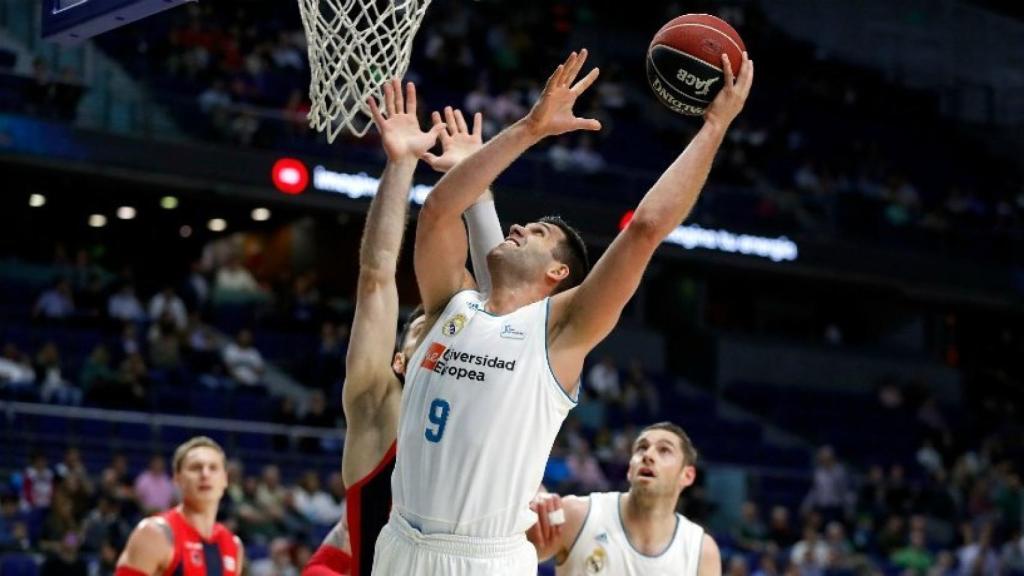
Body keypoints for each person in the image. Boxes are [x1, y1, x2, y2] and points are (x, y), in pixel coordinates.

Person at [375, 48, 752, 575]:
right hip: (397, 544)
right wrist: (529, 128)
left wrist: (714, 125)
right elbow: (439, 210)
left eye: (539, 233)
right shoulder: (450, 305)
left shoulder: (558, 333)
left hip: (482, 559)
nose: (518, 228)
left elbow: (645, 228)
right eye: (522, 225)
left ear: (558, 275)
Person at [302, 79, 504, 576]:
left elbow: (501, 308)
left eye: (454, 325)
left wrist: (476, 186)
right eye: (428, 326)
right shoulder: (379, 409)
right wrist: (400, 165)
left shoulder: (488, 409)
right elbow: (376, 278)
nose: (444, 332)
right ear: (401, 360)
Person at [528, 423, 719, 575]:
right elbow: (508, 552)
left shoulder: (701, 551)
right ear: (629, 469)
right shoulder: (578, 515)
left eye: (664, 450)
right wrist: (532, 497)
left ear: (687, 475)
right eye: (642, 448)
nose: (648, 455)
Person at [115, 437, 244, 576]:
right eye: (195, 467)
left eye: (213, 468)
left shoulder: (234, 546)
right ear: (177, 479)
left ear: (225, 480)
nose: (205, 474)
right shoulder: (154, 534)